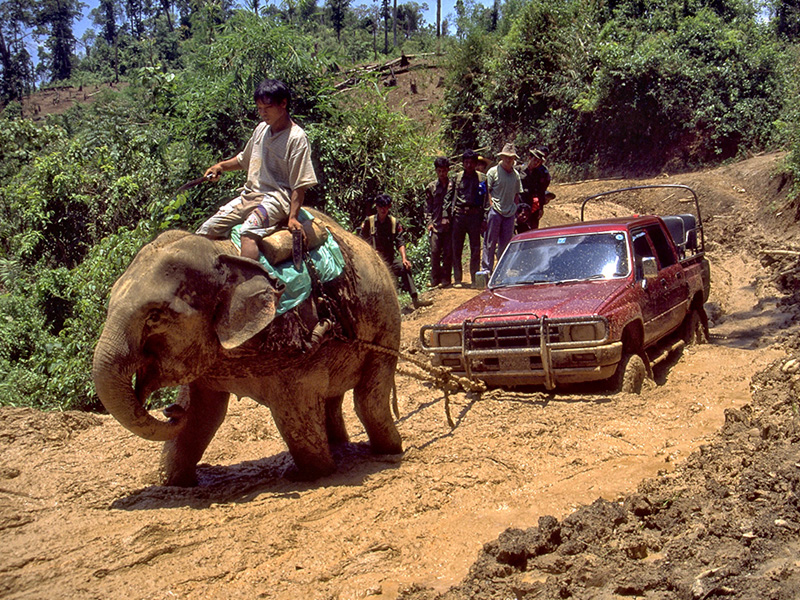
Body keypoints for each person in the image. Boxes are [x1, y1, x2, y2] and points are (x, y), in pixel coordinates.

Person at [196, 79, 318, 261]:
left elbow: (299, 185)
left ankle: (250, 284)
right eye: (259, 108)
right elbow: (244, 159)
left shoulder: (297, 138)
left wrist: (292, 217)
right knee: (205, 230)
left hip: (276, 199)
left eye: (267, 108)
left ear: (283, 104)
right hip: (249, 195)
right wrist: (220, 166)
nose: (262, 113)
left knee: (247, 232)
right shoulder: (261, 129)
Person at [360, 194, 433, 309]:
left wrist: (404, 258)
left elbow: (400, 242)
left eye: (386, 207)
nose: (383, 210)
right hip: (374, 261)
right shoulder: (369, 222)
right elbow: (361, 241)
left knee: (405, 267)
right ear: (377, 207)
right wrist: (371, 252)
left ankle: (415, 299)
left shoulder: (394, 222)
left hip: (389, 260)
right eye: (381, 207)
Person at [444, 149, 489, 288]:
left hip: (475, 216)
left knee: (475, 248)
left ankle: (475, 279)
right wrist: (446, 216)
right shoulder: (456, 178)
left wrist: (485, 218)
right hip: (459, 216)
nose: (469, 165)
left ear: (476, 164)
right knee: (456, 247)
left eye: (472, 163)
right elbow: (448, 197)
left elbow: (486, 200)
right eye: (466, 162)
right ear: (463, 163)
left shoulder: (482, 179)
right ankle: (457, 279)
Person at [482, 143, 522, 272]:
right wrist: (491, 205)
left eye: (511, 158)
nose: (508, 160)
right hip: (495, 211)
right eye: (506, 157)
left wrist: (514, 207)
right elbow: (487, 190)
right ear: (501, 157)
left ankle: (502, 269)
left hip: (509, 212)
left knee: (505, 244)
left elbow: (517, 193)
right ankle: (486, 269)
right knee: (490, 242)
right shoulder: (493, 172)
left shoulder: (515, 175)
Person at [425, 156, 453, 288]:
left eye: (444, 170)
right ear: (436, 171)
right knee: (435, 252)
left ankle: (446, 278)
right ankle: (434, 279)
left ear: (448, 170)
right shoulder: (431, 187)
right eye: (439, 171)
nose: (442, 174)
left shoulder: (453, 186)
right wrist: (429, 222)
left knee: (448, 253)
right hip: (435, 226)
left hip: (449, 226)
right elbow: (427, 207)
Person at [519, 146, 551, 231]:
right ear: (530, 158)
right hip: (518, 202)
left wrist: (541, 208)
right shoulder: (518, 170)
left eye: (539, 161)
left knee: (530, 229)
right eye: (535, 160)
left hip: (530, 204)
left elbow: (541, 191)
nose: (536, 163)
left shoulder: (539, 174)